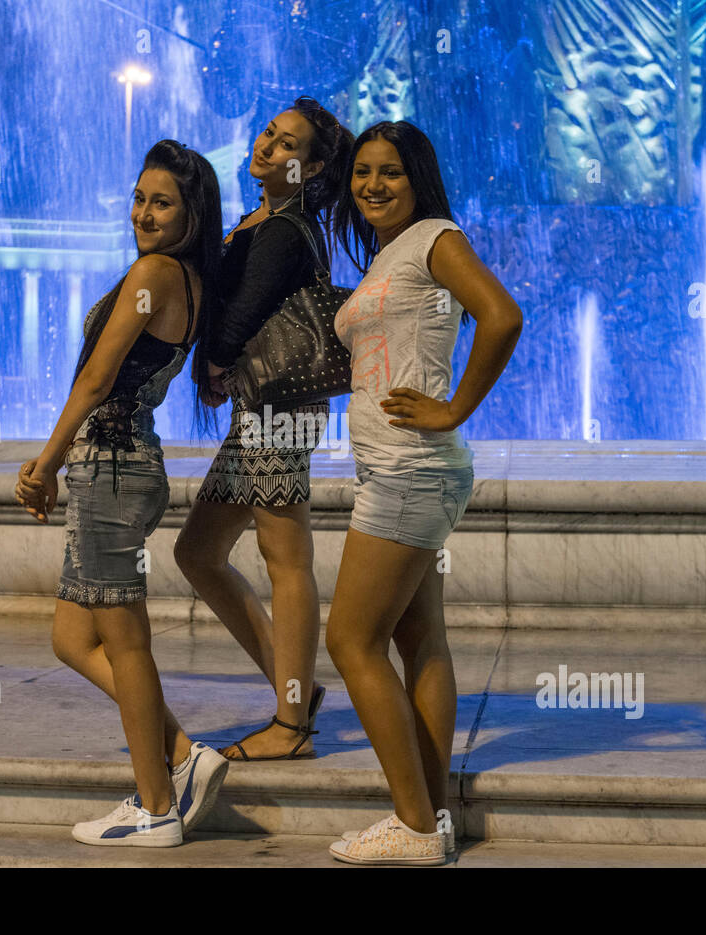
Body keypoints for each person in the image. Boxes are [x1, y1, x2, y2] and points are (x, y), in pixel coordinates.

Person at [15, 140, 226, 847]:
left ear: (190, 214)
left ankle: (156, 803)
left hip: (110, 466)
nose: (143, 212)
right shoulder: (190, 278)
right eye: (138, 198)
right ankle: (180, 752)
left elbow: (98, 378)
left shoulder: (155, 273)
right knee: (71, 638)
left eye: (161, 202)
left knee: (126, 640)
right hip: (122, 463)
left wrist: (45, 461)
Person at [325, 121, 523, 865]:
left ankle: (411, 823)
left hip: (412, 466)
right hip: (402, 467)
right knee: (417, 639)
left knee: (349, 639)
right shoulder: (389, 253)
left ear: (420, 179)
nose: (373, 184)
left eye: (391, 172)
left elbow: (502, 316)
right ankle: (430, 815)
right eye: (363, 172)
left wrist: (454, 408)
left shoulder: (437, 236)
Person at [173, 97, 353, 761]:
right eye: (269, 134)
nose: (267, 146)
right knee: (196, 551)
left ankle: (292, 725)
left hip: (278, 410)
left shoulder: (285, 228)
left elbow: (243, 311)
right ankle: (295, 689)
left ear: (310, 167)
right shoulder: (265, 217)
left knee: (286, 559)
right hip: (261, 408)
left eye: (286, 145)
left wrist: (216, 363)